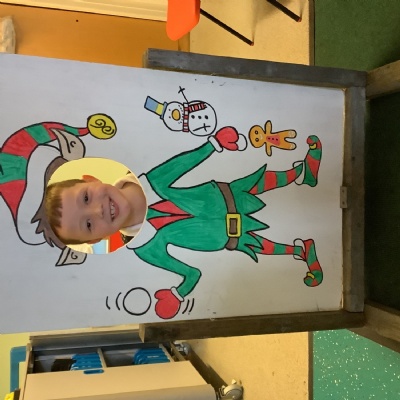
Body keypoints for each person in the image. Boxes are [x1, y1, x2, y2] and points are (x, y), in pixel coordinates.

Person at [45, 172, 147, 246]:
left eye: (86, 198)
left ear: (91, 180)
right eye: (88, 225)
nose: (98, 210)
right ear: (94, 240)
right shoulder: (141, 250)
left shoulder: (141, 159)